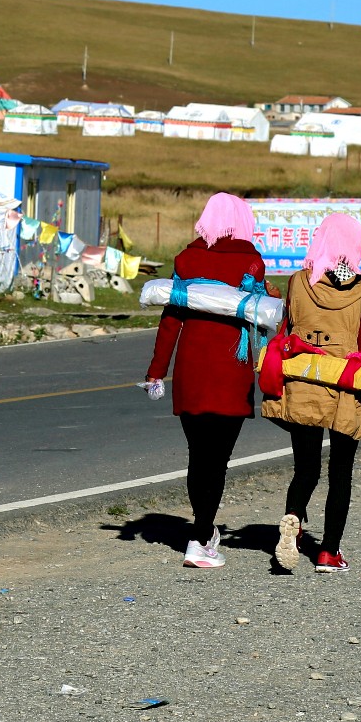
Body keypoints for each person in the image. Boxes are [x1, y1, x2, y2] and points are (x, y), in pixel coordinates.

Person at [143, 192, 267, 569]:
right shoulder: (251, 261)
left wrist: (155, 372)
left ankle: (204, 532)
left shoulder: (186, 258)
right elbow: (259, 320)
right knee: (218, 459)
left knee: (199, 456)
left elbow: (170, 321)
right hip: (232, 372)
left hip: (191, 372)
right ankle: (200, 538)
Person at [262, 213, 361, 575]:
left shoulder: (297, 282)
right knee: (341, 471)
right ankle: (328, 552)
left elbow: (286, 327)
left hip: (303, 380)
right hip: (344, 382)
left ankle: (294, 519)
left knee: (306, 467)